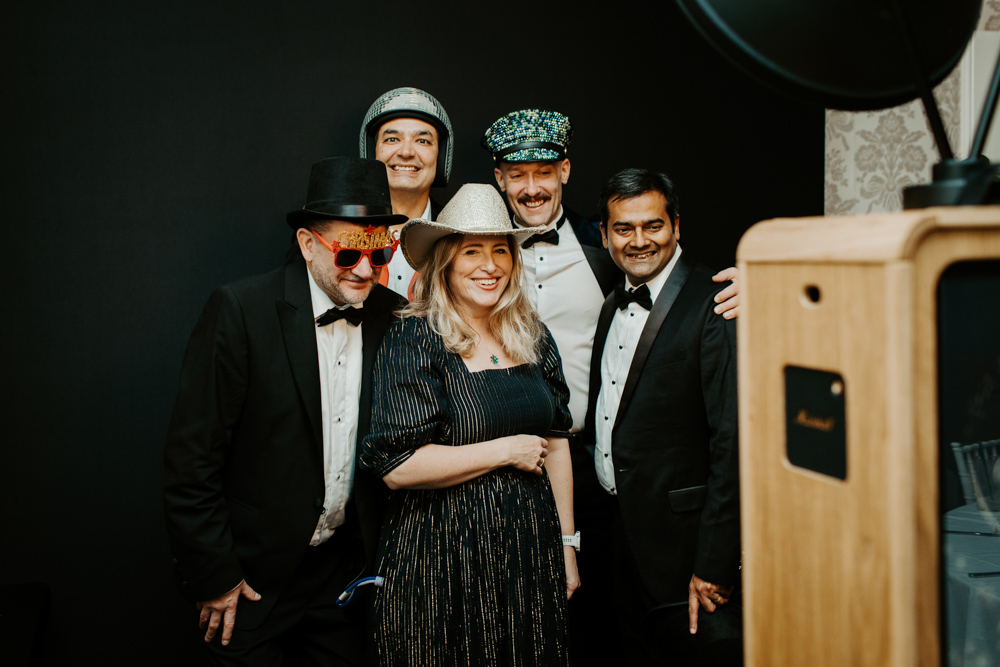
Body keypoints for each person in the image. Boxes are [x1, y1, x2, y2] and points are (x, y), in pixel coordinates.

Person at [481, 108, 741, 661]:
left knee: (613, 621)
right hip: (498, 467)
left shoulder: (602, 253)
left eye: (544, 171)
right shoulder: (478, 254)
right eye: (517, 172)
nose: (532, 187)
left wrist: (764, 285)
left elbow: (729, 429)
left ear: (565, 171)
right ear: (498, 178)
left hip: (594, 472)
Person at [163, 157, 407, 666]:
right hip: (251, 581)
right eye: (348, 254)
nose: (366, 269)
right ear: (307, 243)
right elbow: (192, 459)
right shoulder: (240, 309)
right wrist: (215, 575)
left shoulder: (392, 315)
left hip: (342, 580)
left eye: (380, 250)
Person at [359, 183, 578, 666]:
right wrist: (506, 450)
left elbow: (557, 443)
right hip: (441, 554)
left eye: (501, 250)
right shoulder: (416, 336)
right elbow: (397, 465)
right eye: (473, 251)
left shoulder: (533, 334)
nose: (490, 264)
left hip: (529, 549)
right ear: (446, 262)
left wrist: (566, 545)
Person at [585, 168, 742, 665]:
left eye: (652, 226)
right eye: (624, 229)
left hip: (684, 547)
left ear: (677, 225)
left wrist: (715, 563)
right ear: (606, 234)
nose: (638, 241)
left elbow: (732, 440)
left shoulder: (716, 302)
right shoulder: (612, 302)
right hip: (620, 532)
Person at [360, 86, 453, 297]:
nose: (406, 152)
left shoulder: (459, 234)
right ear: (370, 153)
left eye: (422, 141)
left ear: (441, 158)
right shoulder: (335, 231)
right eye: (392, 139)